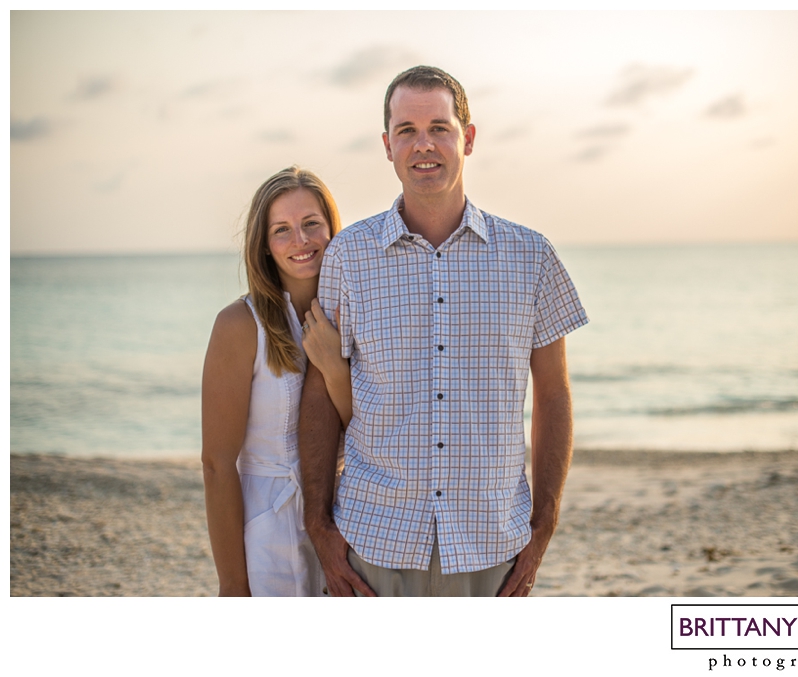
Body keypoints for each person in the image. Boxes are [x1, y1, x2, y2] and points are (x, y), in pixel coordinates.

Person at [298, 65, 589, 597]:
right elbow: (319, 390)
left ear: (468, 139)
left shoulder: (531, 257)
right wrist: (318, 524)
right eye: (406, 130)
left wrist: (544, 523)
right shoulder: (348, 256)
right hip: (373, 539)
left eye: (439, 128)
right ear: (387, 146)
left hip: (492, 544)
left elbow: (553, 393)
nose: (423, 144)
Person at [201, 166, 350, 596]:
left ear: (332, 229)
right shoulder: (239, 324)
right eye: (281, 230)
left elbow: (368, 431)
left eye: (311, 223)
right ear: (264, 246)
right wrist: (233, 585)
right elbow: (217, 464)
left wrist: (334, 369)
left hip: (343, 522)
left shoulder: (353, 316)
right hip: (267, 530)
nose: (300, 240)